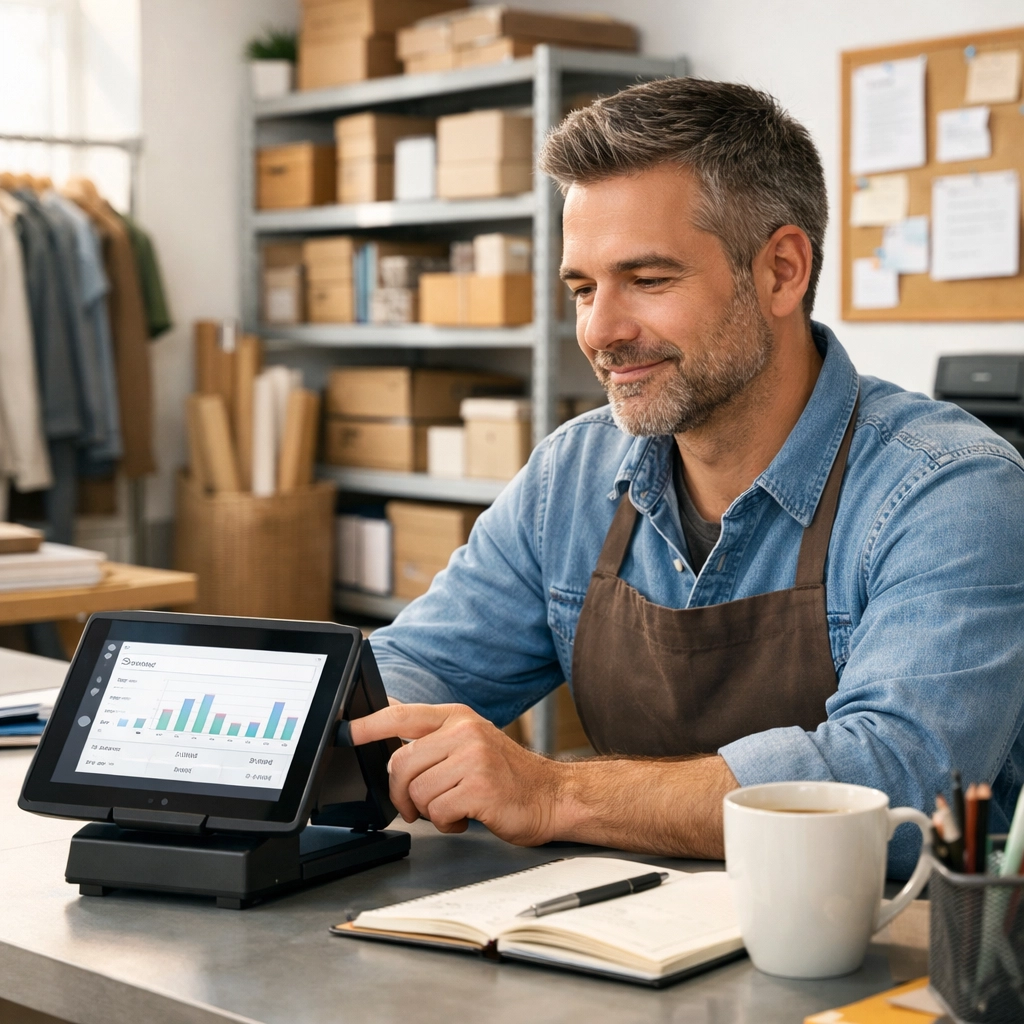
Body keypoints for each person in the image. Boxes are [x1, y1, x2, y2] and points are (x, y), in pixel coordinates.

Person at [350, 78, 1024, 877]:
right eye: (583, 289)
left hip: (880, 944)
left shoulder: (953, 492)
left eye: (648, 280)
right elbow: (414, 673)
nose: (600, 330)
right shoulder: (571, 476)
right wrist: (309, 725)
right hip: (624, 932)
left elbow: (898, 787)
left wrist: (556, 794)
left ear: (781, 271)